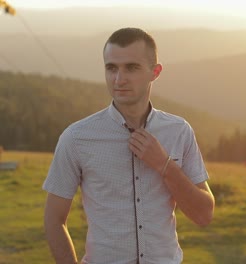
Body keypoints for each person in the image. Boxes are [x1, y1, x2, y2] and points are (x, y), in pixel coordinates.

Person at [43, 27, 215, 264]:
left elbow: (204, 215)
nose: (119, 79)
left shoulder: (179, 131)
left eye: (131, 68)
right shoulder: (76, 138)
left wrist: (165, 165)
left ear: (155, 72)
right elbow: (54, 219)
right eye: (111, 68)